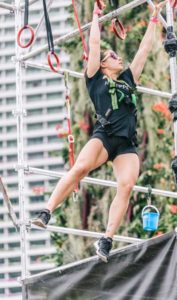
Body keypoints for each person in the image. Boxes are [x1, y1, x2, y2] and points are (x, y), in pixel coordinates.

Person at [32, 1, 166, 263]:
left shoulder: (127, 80)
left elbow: (143, 52)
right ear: (103, 65)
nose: (118, 57)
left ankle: (106, 239)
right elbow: (94, 46)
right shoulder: (95, 77)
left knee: (126, 186)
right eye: (112, 56)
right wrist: (95, 16)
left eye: (116, 55)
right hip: (104, 136)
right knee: (80, 168)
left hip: (125, 143)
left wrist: (154, 19)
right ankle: (47, 211)